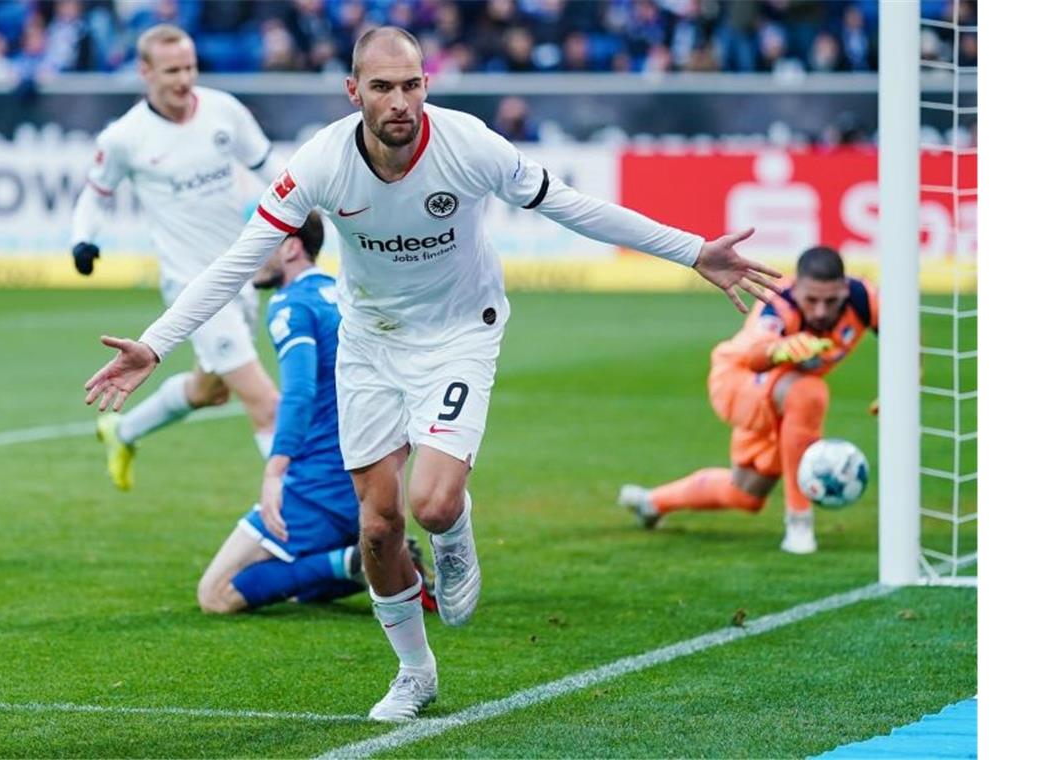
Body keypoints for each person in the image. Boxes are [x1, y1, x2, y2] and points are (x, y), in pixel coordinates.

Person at [83, 26, 780, 721]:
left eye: (411, 85)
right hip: (370, 345)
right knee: (380, 528)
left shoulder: (470, 144)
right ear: (353, 91)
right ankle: (415, 674)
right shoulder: (322, 161)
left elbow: (574, 206)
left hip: (457, 335)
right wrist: (156, 343)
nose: (399, 102)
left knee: (435, 504)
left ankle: (453, 537)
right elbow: (241, 258)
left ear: (428, 86)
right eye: (382, 87)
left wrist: (692, 251)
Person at [70, 23, 284, 491]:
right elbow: (96, 194)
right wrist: (84, 239)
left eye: (189, 67)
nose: (184, 80)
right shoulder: (125, 137)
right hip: (191, 285)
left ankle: (122, 432)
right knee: (267, 404)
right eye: (171, 71)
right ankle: (305, 518)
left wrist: (295, 231)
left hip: (240, 276)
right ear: (145, 71)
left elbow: (272, 172)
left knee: (210, 391)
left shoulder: (224, 111)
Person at [195, 211, 436, 614]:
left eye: (262, 245)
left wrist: (276, 470)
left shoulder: (291, 304)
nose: (253, 255)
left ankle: (354, 559)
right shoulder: (346, 294)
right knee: (295, 589)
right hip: (368, 484)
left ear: (291, 247)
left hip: (315, 489)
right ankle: (369, 552)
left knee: (216, 595)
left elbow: (300, 391)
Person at [618, 246, 879, 554]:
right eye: (812, 300)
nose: (821, 311)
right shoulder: (778, 302)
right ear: (797, 287)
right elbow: (754, 358)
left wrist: (904, 387)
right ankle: (799, 521)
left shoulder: (864, 299)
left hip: (781, 394)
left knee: (746, 493)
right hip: (738, 379)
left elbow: (905, 335)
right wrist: (778, 350)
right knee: (809, 392)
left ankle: (652, 503)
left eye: (831, 301)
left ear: (844, 289)